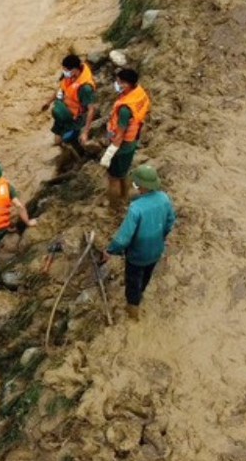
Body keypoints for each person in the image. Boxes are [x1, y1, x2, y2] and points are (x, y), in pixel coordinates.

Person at [104, 165, 176, 320]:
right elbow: (171, 221)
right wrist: (161, 236)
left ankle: (133, 308)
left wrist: (110, 250)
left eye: (136, 184)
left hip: (137, 255)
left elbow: (123, 237)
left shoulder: (136, 208)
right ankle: (141, 292)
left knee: (132, 281)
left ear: (141, 187)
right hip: (156, 250)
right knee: (146, 275)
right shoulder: (164, 198)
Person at [98, 67, 152, 203]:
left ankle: (114, 206)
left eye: (119, 82)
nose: (117, 85)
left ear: (126, 84)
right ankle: (124, 198)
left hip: (122, 145)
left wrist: (109, 153)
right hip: (132, 141)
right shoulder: (139, 93)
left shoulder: (125, 109)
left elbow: (120, 134)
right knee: (124, 173)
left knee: (113, 178)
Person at [47, 54, 96, 151]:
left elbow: (91, 109)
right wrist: (48, 102)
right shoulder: (69, 76)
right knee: (57, 141)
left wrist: (85, 132)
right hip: (64, 111)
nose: (64, 72)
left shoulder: (85, 88)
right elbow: (61, 88)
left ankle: (76, 150)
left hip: (76, 117)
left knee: (67, 139)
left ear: (74, 69)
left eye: (65, 70)